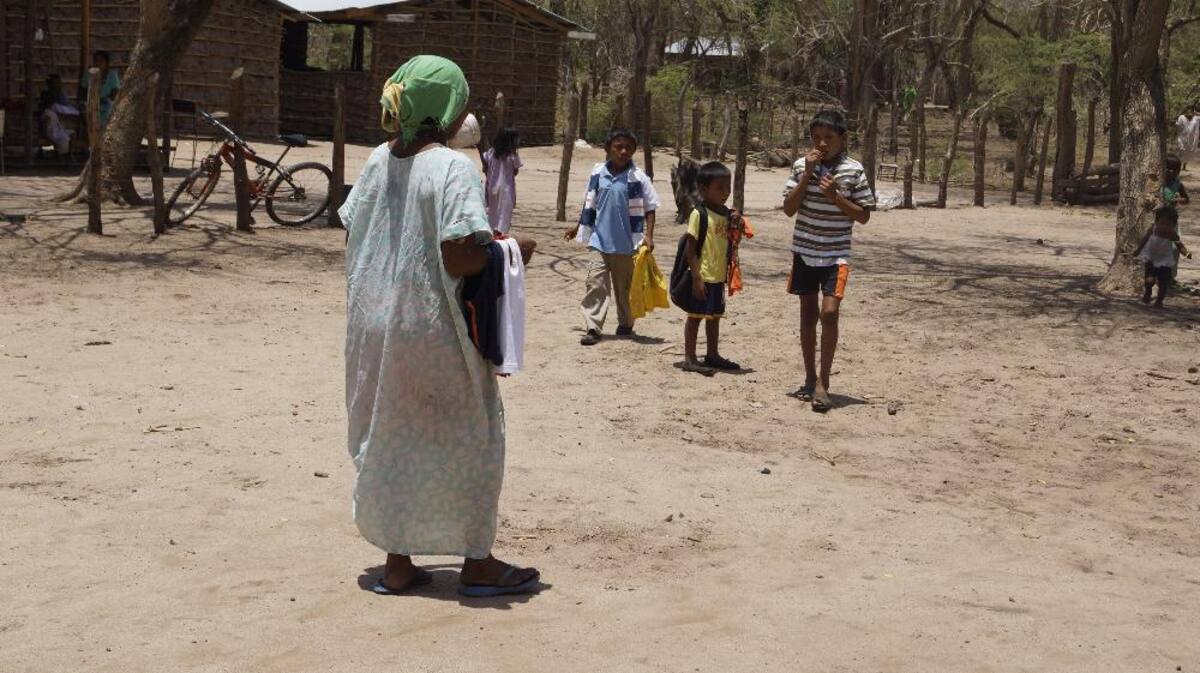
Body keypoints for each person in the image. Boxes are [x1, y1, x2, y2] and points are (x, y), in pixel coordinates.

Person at [338, 54, 540, 597]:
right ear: (445, 109)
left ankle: (398, 562)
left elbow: (354, 226)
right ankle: (477, 563)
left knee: (393, 436)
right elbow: (458, 255)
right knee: (474, 434)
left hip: (373, 325)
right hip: (430, 326)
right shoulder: (450, 167)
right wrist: (510, 251)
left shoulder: (380, 158)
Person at [781, 109, 875, 412]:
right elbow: (788, 209)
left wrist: (836, 197)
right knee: (808, 316)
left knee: (830, 313)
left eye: (829, 138)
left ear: (842, 139)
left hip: (836, 254)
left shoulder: (853, 170)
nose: (822, 144)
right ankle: (810, 378)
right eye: (817, 138)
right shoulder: (800, 166)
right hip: (804, 251)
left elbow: (863, 216)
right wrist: (807, 175)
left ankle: (824, 381)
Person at [564, 128, 661, 346]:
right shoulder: (598, 173)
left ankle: (626, 323)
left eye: (628, 148)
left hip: (627, 244)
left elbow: (650, 207)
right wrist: (578, 226)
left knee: (623, 289)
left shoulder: (638, 177)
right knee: (595, 284)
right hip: (599, 241)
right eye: (618, 147)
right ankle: (593, 327)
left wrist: (649, 235)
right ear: (608, 149)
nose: (623, 151)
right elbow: (591, 202)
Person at [679, 161, 741, 376]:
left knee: (714, 316)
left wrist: (737, 224)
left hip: (718, 275)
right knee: (695, 316)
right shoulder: (699, 214)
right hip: (703, 275)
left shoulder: (726, 213)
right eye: (720, 188)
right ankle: (690, 358)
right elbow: (691, 249)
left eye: (727, 187)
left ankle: (712, 354)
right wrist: (696, 277)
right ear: (704, 190)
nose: (725, 193)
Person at [1136, 206, 1191, 308]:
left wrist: (1186, 253)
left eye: (1168, 224)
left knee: (1164, 281)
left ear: (1174, 225)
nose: (1164, 227)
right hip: (1151, 258)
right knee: (1149, 279)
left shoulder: (1172, 234)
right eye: (1162, 223)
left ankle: (1159, 301)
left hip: (1165, 259)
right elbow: (1144, 240)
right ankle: (1148, 293)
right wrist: (1137, 251)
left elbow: (1179, 245)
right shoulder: (1152, 230)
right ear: (1156, 222)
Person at [481, 127, 522, 234]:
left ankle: (491, 233)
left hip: (492, 187)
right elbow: (516, 171)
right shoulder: (513, 155)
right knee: (504, 214)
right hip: (506, 189)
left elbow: (485, 166)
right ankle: (500, 235)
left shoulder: (491, 152)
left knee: (493, 212)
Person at [38, 74, 79, 156]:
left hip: (60, 127)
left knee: (72, 134)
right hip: (52, 130)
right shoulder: (48, 102)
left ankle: (68, 156)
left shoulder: (61, 96)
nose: (59, 85)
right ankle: (62, 156)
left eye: (59, 82)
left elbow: (68, 109)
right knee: (63, 139)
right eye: (55, 83)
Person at [84, 51, 121, 129]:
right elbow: (83, 90)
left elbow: (115, 91)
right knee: (89, 111)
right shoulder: (88, 74)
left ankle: (102, 130)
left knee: (109, 109)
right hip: (91, 102)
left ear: (106, 63)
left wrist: (103, 99)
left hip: (106, 103)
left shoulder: (112, 75)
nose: (98, 63)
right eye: (96, 60)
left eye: (101, 61)